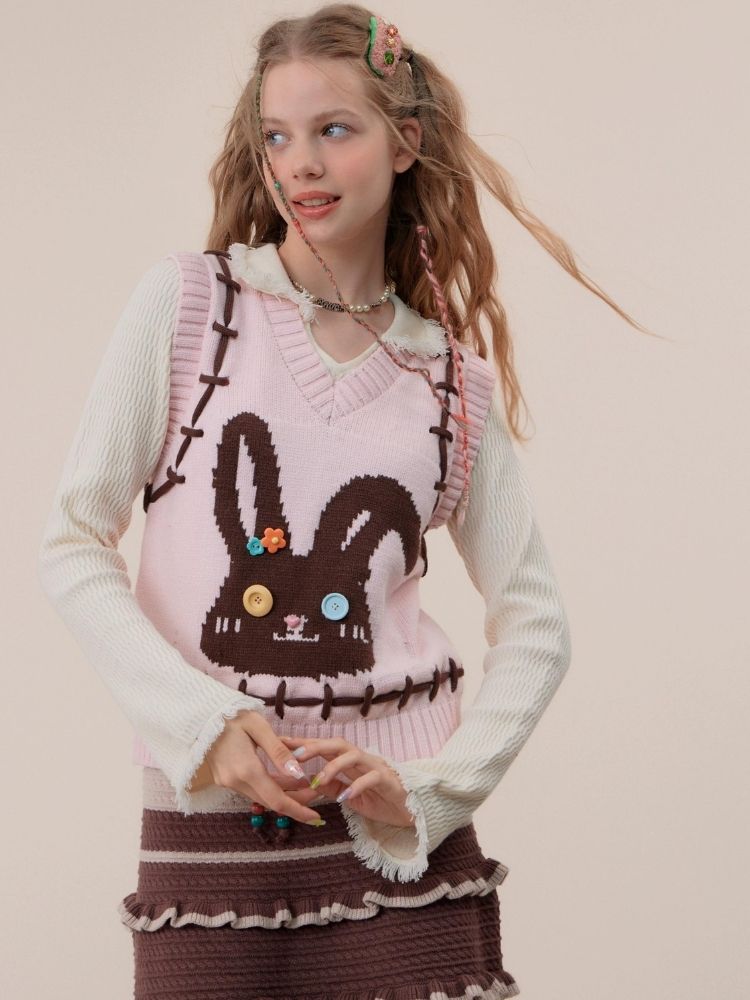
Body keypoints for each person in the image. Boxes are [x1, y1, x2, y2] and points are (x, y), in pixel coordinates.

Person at [37, 4, 648, 997]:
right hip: (209, 837)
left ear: (404, 142)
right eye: (277, 137)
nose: (303, 165)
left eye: (333, 130)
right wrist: (203, 724)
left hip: (397, 852)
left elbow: (537, 623)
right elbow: (72, 540)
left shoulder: (449, 380)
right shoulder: (192, 308)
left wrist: (435, 789)